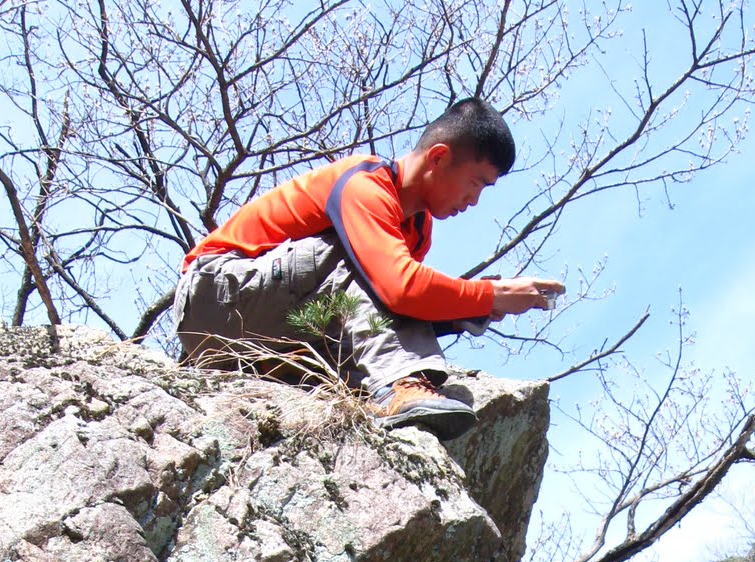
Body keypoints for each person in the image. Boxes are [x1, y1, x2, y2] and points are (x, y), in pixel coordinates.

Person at [174, 97, 563, 439]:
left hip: (265, 335)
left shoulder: (417, 229)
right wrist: (488, 295)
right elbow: (397, 289)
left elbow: (391, 306)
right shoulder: (366, 184)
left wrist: (480, 307)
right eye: (475, 183)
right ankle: (400, 385)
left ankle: (385, 393)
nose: (474, 200)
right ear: (439, 157)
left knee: (382, 279)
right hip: (213, 298)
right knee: (369, 265)